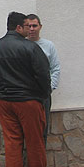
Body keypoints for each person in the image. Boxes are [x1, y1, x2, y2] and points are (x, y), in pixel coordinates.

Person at [0, 11, 50, 167]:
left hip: (4, 100)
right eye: (25, 26)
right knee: (34, 141)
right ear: (18, 27)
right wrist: (43, 95)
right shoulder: (30, 47)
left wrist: (0, 89)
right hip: (29, 100)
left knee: (12, 141)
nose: (29, 30)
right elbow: (43, 74)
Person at [26, 14, 60, 144]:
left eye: (34, 25)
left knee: (42, 129)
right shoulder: (21, 45)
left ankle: (40, 162)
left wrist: (49, 89)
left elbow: (55, 68)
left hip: (43, 95)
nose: (32, 29)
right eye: (29, 26)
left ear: (40, 27)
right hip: (26, 96)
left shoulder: (48, 45)